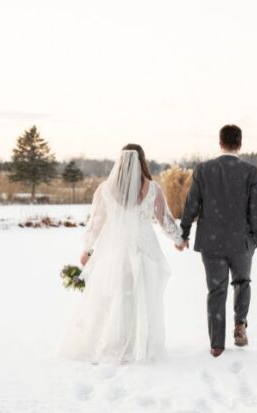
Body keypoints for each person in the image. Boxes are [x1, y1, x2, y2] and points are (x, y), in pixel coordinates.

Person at [61, 144, 185, 364]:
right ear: (142, 162)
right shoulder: (152, 189)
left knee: (114, 297)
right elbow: (164, 220)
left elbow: (96, 223)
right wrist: (179, 239)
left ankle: (115, 343)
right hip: (144, 251)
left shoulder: (106, 190)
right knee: (141, 299)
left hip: (115, 250)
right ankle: (137, 345)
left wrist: (88, 250)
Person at [179, 125, 257, 357]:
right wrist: (254, 238)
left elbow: (191, 205)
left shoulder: (204, 170)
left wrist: (184, 232)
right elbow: (256, 209)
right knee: (242, 282)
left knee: (216, 290)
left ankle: (217, 344)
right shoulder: (250, 172)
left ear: (220, 143)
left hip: (212, 242)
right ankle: (240, 324)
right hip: (241, 241)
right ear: (240, 144)